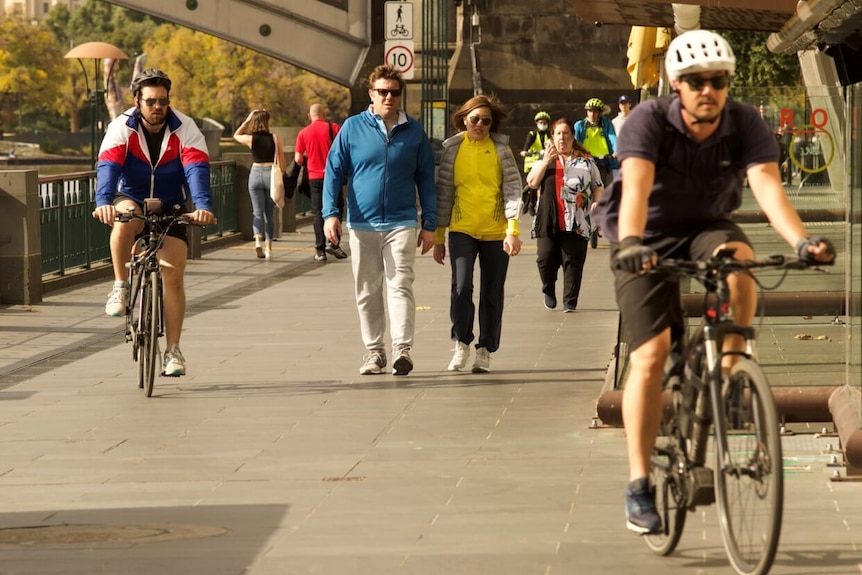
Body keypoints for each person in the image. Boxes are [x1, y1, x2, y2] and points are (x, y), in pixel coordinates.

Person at [592, 30, 836, 535]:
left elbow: (766, 184)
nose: (708, 90)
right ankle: (639, 484)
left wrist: (801, 242)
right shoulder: (648, 121)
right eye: (696, 81)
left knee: (739, 257)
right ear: (677, 85)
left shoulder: (742, 122)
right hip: (646, 233)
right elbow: (635, 187)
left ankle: (729, 369)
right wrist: (633, 243)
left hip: (706, 226)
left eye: (718, 80)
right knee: (651, 354)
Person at [93, 68, 216, 377]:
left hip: (170, 202)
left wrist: (201, 206)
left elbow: (196, 169)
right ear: (138, 101)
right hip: (131, 196)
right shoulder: (122, 126)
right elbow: (108, 165)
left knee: (173, 276)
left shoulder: (185, 127)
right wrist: (103, 203)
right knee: (124, 220)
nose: (157, 107)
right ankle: (120, 286)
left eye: (162, 100)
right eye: (150, 101)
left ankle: (172, 351)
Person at [322, 64, 436, 376]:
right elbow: (333, 172)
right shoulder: (352, 128)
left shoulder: (413, 132)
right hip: (362, 224)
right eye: (382, 92)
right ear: (371, 94)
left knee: (400, 284)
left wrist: (431, 224)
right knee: (368, 289)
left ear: (400, 96)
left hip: (402, 221)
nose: (388, 97)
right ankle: (374, 352)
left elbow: (426, 178)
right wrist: (330, 214)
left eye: (394, 92)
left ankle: (402, 348)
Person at [433, 94, 523, 373]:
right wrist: (438, 237)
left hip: (496, 231)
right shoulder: (453, 149)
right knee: (461, 288)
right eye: (475, 119)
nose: (480, 125)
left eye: (486, 120)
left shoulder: (501, 150)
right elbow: (444, 194)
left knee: (492, 292)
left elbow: (512, 190)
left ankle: (484, 349)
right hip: (461, 229)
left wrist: (513, 231)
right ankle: (461, 343)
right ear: (464, 119)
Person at [527, 118, 604, 313]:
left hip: (578, 219)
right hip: (548, 217)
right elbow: (533, 183)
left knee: (573, 261)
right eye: (558, 134)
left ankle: (570, 300)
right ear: (552, 137)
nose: (562, 137)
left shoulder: (586, 160)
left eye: (566, 133)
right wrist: (546, 161)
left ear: (572, 136)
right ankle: (548, 288)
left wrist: (597, 202)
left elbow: (598, 185)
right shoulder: (545, 158)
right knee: (544, 259)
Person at [294, 104, 347, 262]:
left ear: (309, 116)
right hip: (333, 177)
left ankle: (320, 250)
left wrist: (310, 161)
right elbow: (343, 149)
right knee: (337, 208)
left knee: (318, 212)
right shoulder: (334, 128)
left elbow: (297, 159)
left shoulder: (303, 133)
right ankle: (334, 243)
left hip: (314, 177)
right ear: (324, 114)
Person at [233, 109, 286, 259]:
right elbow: (282, 162)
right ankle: (268, 246)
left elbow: (236, 135)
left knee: (257, 212)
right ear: (267, 122)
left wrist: (247, 119)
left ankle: (257, 241)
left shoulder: (251, 139)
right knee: (269, 213)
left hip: (255, 173)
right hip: (271, 174)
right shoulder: (275, 138)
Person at [574, 98, 618, 188]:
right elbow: (575, 141)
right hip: (585, 160)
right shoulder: (580, 125)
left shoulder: (606, 124)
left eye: (595, 111)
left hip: (602, 160)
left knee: (601, 185)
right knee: (584, 186)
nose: (592, 114)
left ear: (600, 113)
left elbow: (612, 137)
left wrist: (616, 150)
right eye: (590, 111)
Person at [519, 111, 551, 215]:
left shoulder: (549, 134)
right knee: (533, 185)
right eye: (541, 122)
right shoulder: (532, 134)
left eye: (545, 123)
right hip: (532, 163)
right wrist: (525, 152)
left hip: (543, 162)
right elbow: (526, 146)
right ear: (537, 123)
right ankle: (530, 203)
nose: (543, 124)